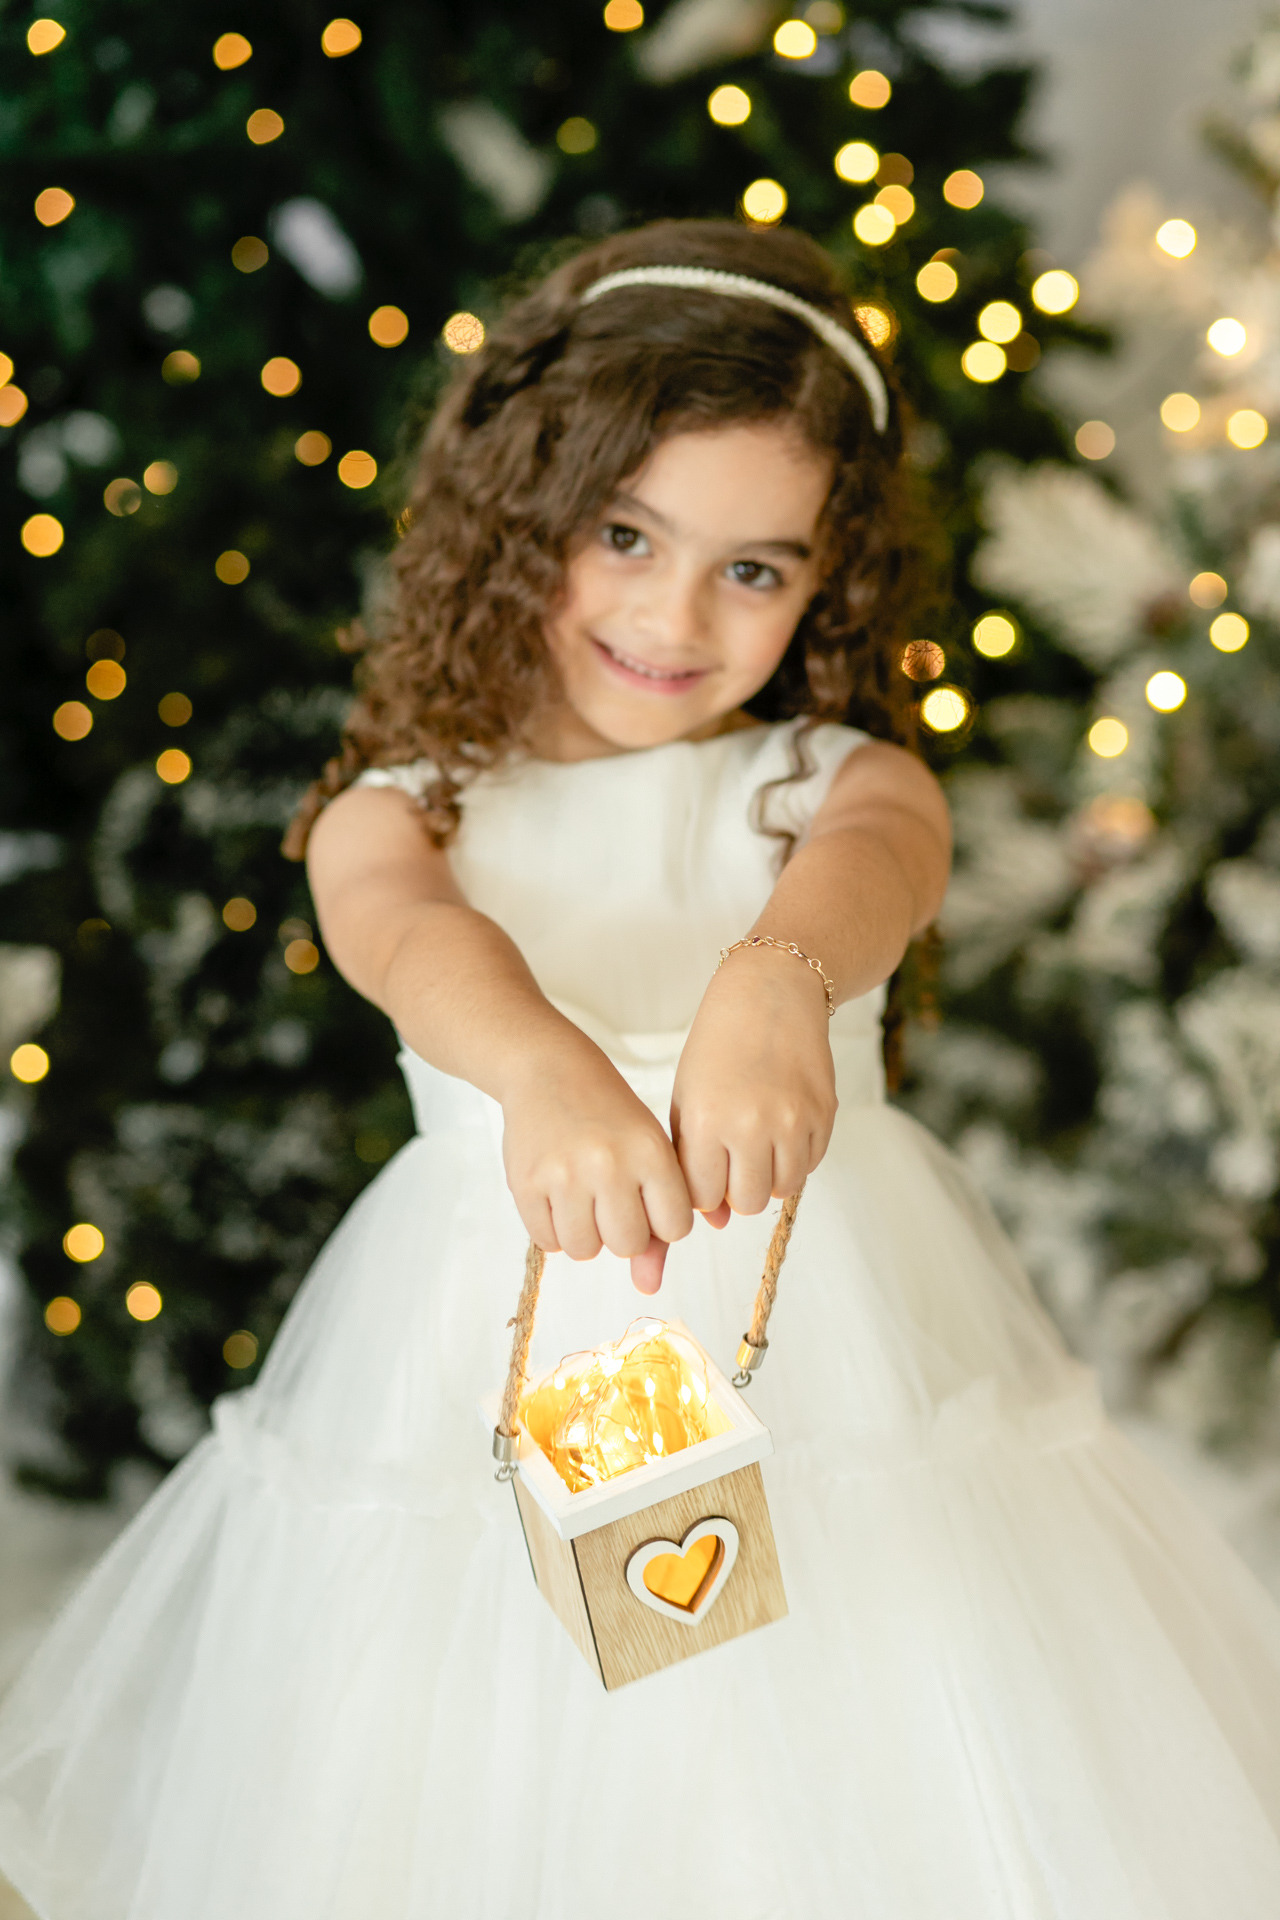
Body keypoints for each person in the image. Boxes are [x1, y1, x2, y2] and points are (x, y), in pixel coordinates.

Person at [3, 218, 1280, 1920]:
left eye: (754, 569)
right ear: (518, 509)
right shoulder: (404, 812)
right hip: (486, 1343)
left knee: (873, 1703)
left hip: (826, 1341)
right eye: (624, 535)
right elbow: (413, 941)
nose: (676, 615)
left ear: (827, 582)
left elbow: (878, 866)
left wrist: (778, 977)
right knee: (477, 1739)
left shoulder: (831, 783)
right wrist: (539, 1064)